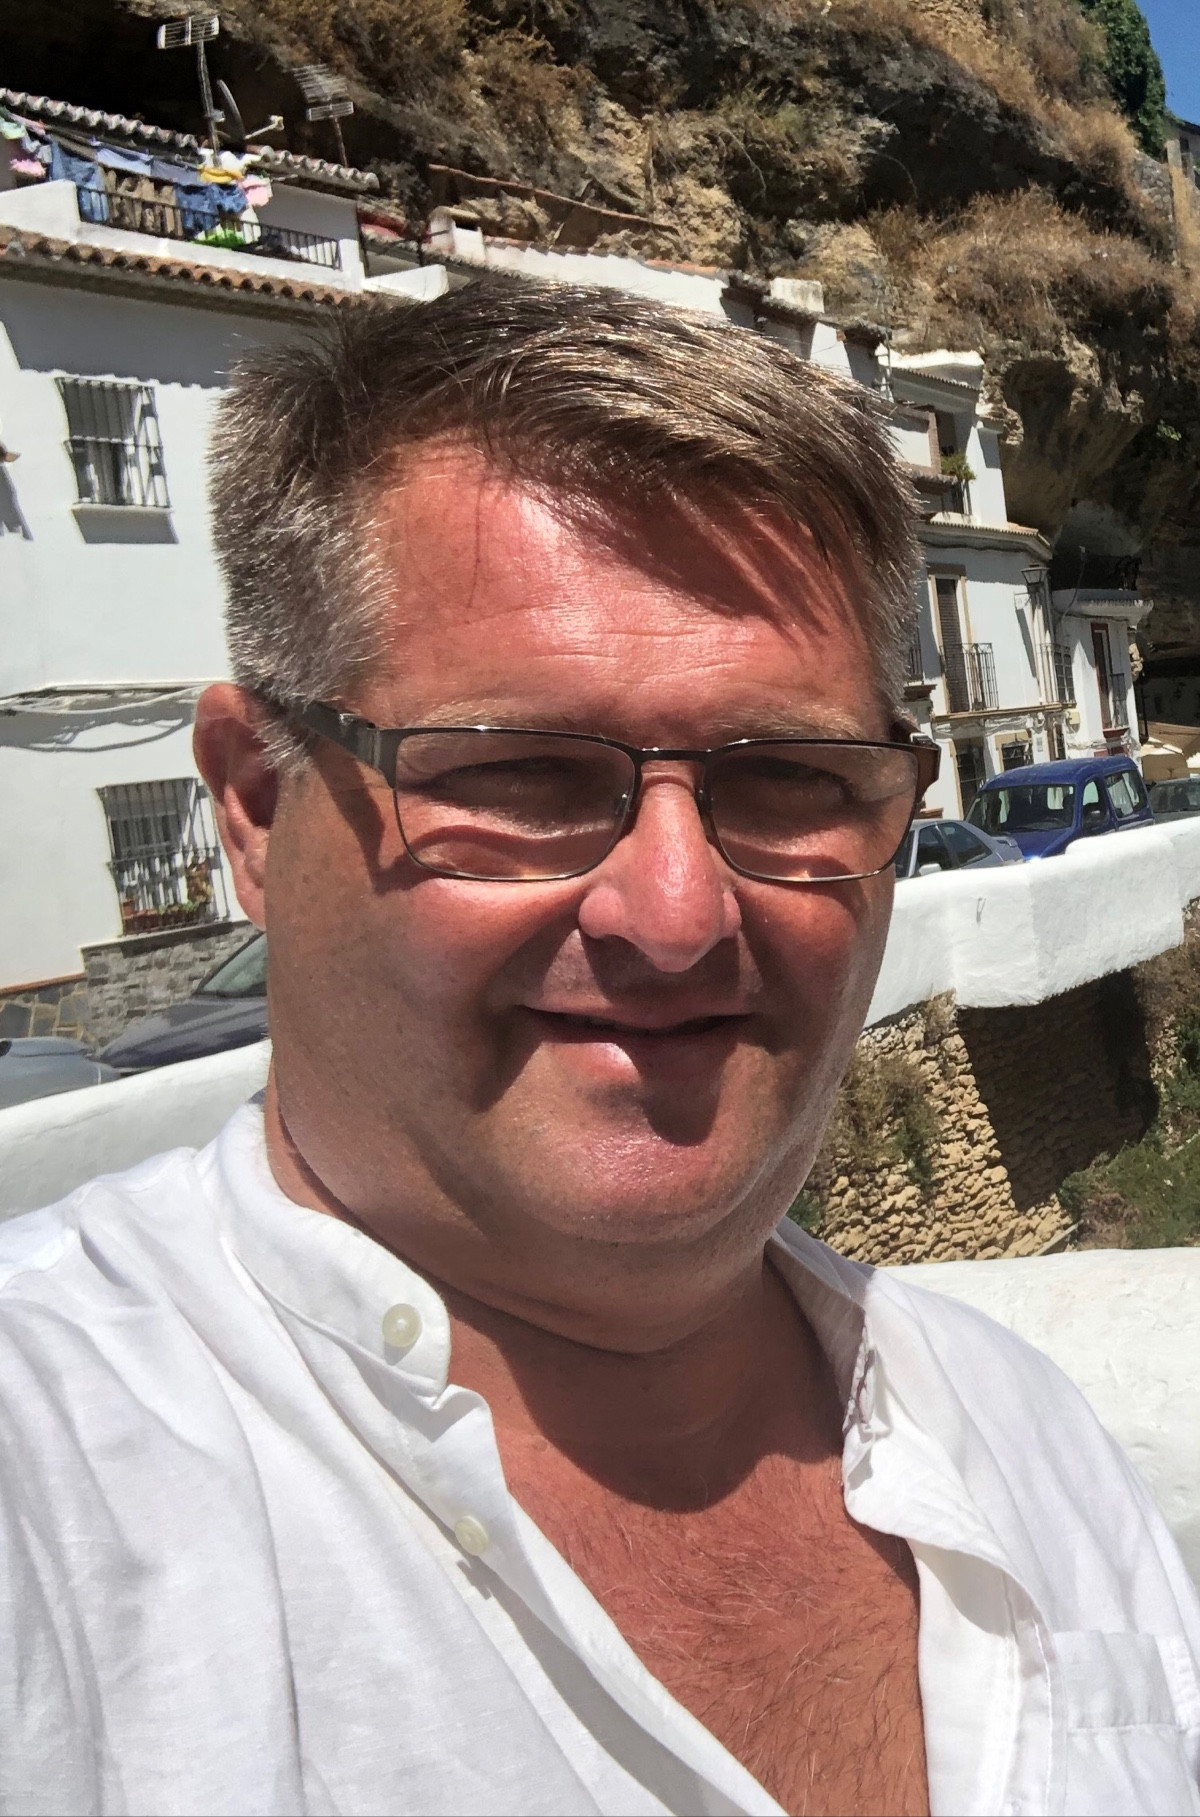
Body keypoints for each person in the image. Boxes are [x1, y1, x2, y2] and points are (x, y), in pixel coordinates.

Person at [1, 282, 1198, 1817]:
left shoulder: (1024, 1439)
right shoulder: (56, 1494)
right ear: (256, 804)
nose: (678, 914)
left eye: (790, 777)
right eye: (521, 773)